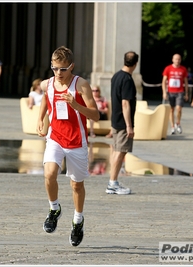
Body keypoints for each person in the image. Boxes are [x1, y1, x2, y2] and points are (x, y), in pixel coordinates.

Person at [36, 46, 99, 247]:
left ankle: (78, 221)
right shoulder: (48, 84)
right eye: (54, 68)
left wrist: (76, 105)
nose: (58, 73)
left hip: (76, 142)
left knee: (76, 185)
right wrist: (40, 119)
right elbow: (46, 100)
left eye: (63, 69)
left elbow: (96, 115)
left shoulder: (81, 85)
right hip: (55, 137)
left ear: (71, 66)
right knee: (49, 174)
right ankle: (54, 209)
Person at [106, 51, 139, 195]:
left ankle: (113, 181)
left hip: (115, 120)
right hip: (123, 122)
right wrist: (129, 126)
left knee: (116, 151)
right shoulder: (127, 80)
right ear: (136, 64)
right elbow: (125, 104)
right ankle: (112, 183)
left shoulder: (116, 76)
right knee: (120, 153)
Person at [162, 54, 189, 135]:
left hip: (180, 91)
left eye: (179, 59)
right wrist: (164, 92)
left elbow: (186, 82)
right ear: (172, 59)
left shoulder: (183, 69)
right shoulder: (168, 68)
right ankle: (172, 127)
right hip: (170, 92)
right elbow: (164, 81)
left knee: (179, 108)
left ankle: (178, 123)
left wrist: (186, 93)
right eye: (176, 59)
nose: (177, 61)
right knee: (171, 109)